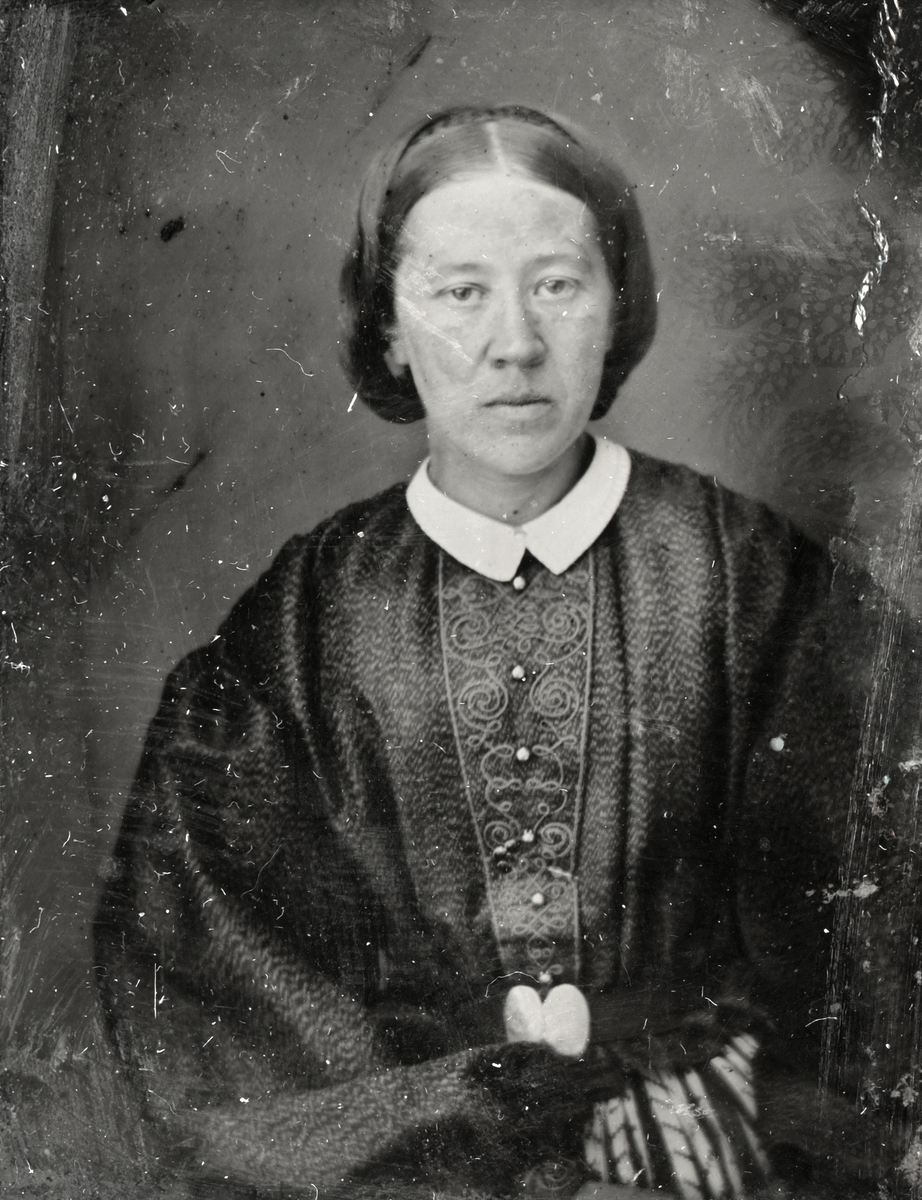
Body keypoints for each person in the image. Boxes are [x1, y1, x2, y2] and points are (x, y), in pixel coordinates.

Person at [94, 105, 874, 1199]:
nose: (516, 342)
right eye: (461, 292)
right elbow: (211, 961)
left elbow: (881, 931)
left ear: (617, 305)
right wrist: (454, 1136)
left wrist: (740, 1108)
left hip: (716, 1148)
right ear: (389, 327)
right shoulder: (306, 619)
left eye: (556, 284)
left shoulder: (747, 577)